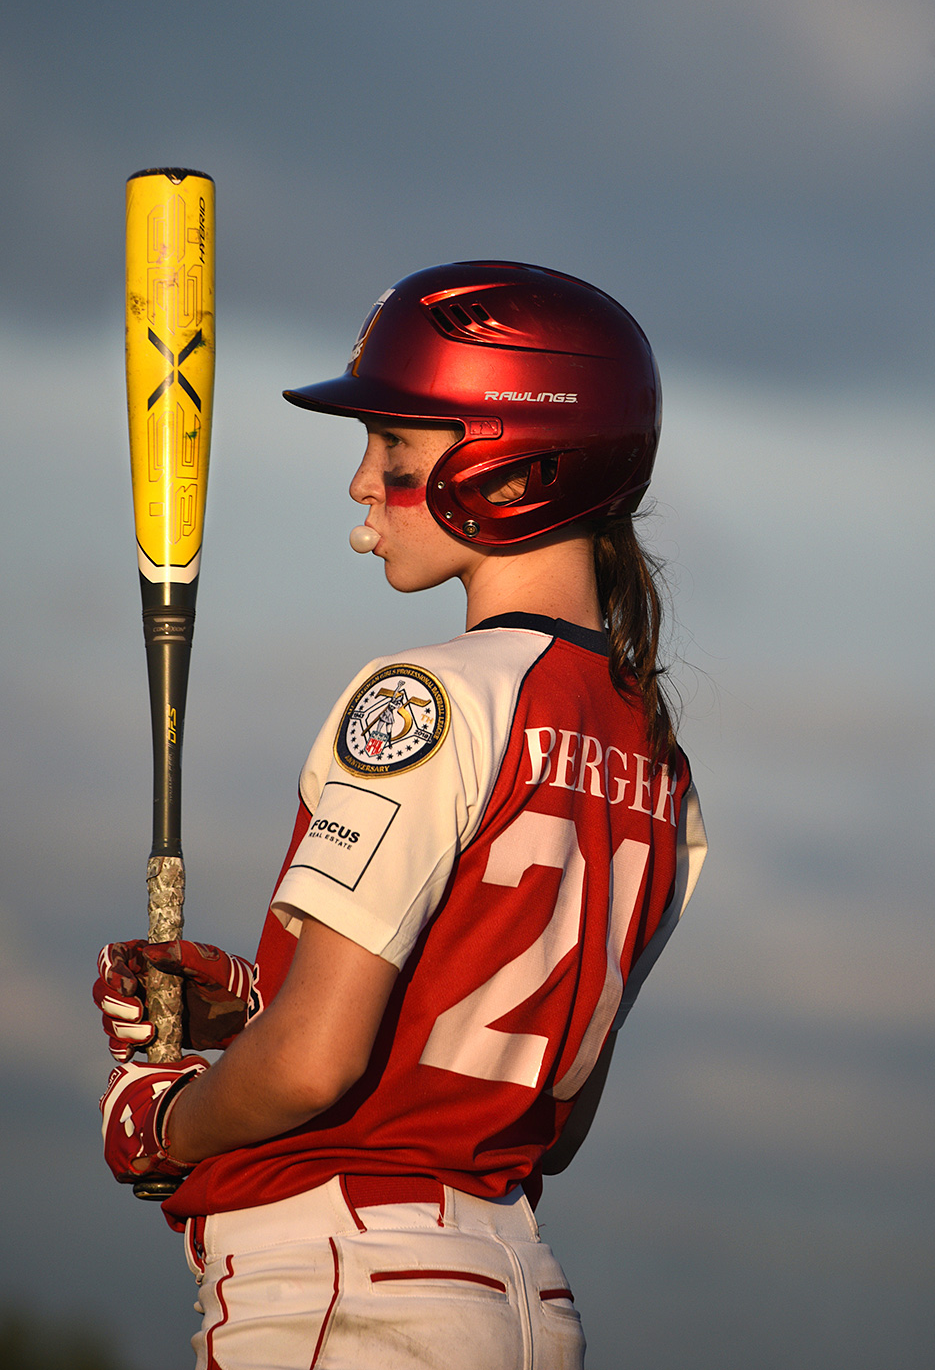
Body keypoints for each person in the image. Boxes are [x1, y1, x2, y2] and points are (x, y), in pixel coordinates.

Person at [94, 260, 707, 1370]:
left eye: (396, 448)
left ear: (517, 465)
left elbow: (315, 1066)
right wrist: (254, 1012)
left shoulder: (424, 695)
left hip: (337, 1287)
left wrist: (166, 1117)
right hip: (517, 1297)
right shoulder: (658, 760)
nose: (362, 481)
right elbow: (545, 1120)